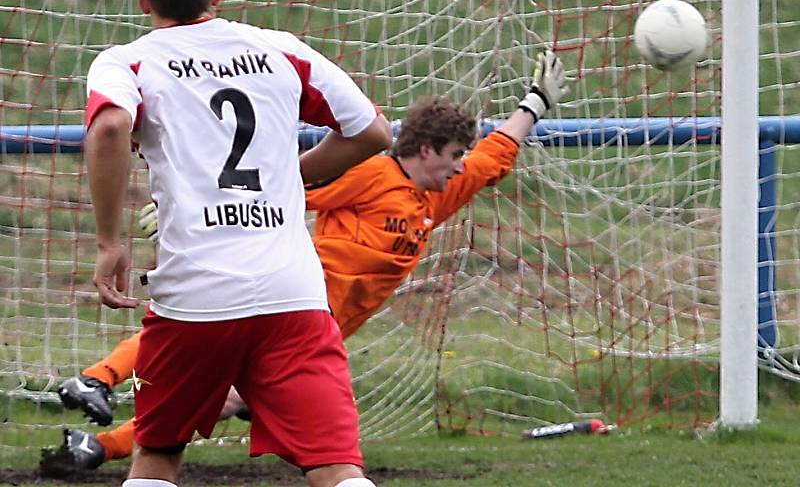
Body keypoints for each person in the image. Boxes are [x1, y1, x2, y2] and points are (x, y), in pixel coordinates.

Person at [43, 50, 569, 475]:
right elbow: (284, 183)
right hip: (287, 305)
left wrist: (536, 103)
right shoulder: (372, 175)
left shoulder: (435, 199)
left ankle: (96, 445)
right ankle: (99, 380)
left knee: (218, 401)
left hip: (311, 337)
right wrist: (192, 203)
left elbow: (494, 157)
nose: (459, 167)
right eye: (454, 154)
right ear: (428, 148)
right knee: (201, 357)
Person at [81, 0, 393, 487]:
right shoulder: (280, 50)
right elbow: (373, 132)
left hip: (195, 299)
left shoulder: (128, 61)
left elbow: (107, 132)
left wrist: (109, 243)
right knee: (337, 468)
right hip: (292, 296)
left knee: (157, 456)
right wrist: (289, 178)